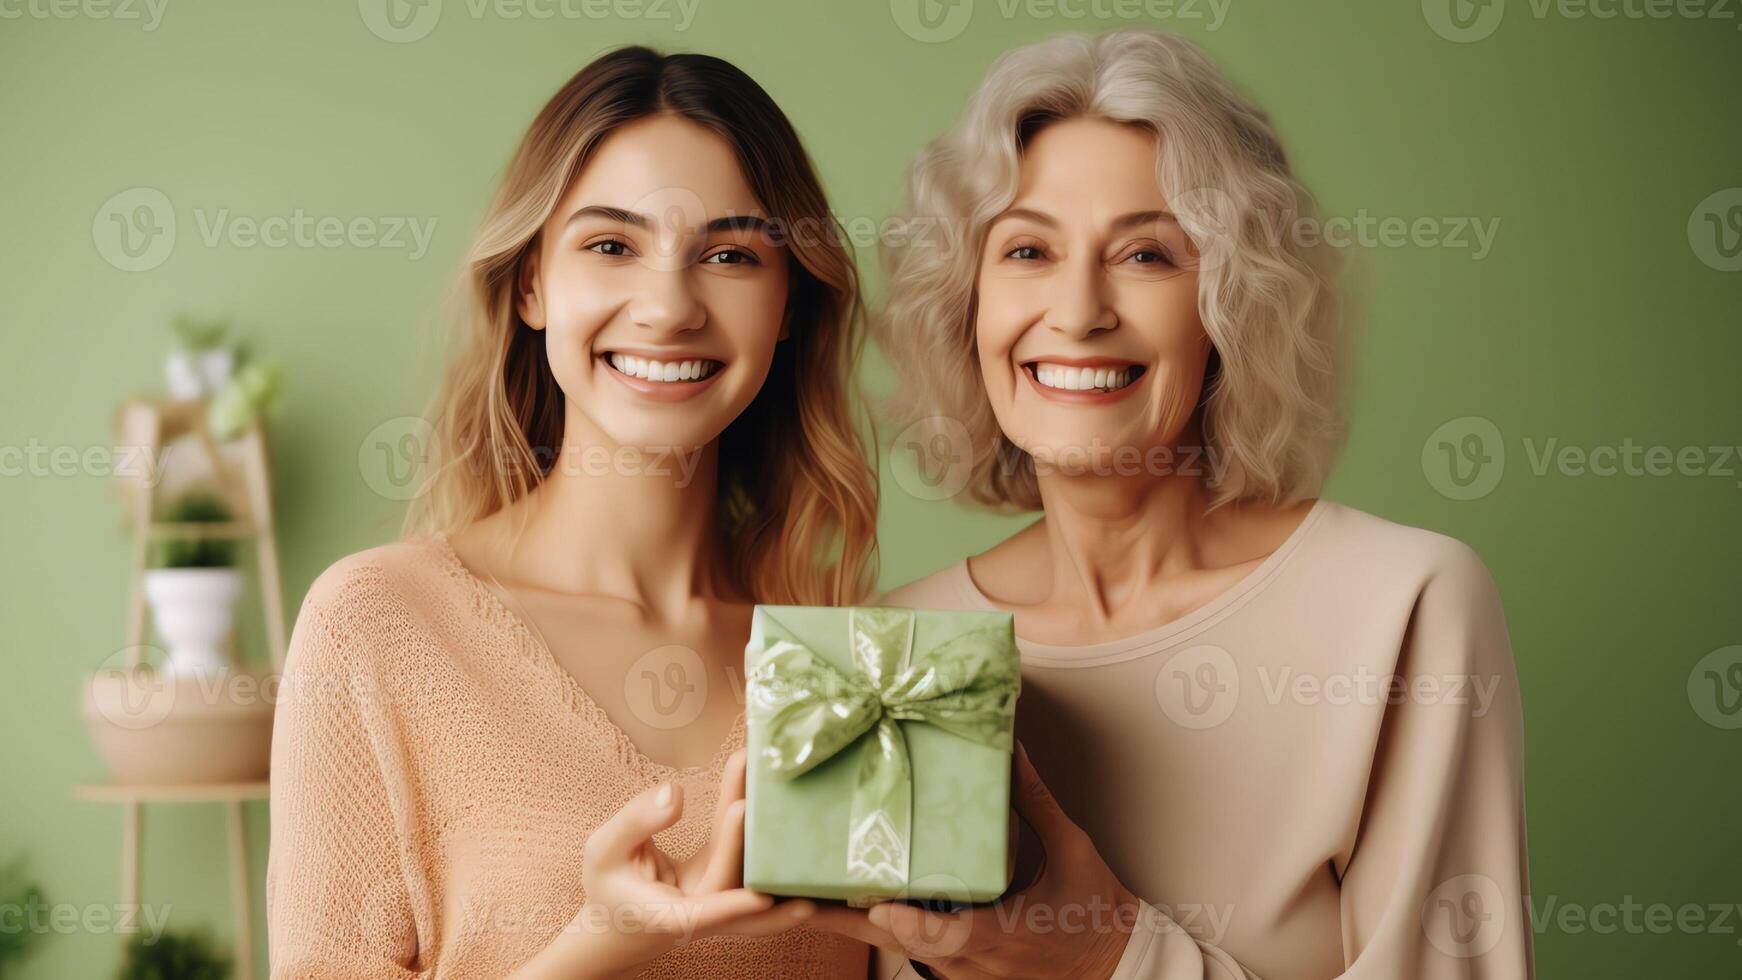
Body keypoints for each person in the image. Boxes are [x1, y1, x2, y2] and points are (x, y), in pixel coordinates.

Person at [814, 28, 1533, 980]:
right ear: (966, 304)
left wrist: (1106, 952)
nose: (1077, 311)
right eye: (1028, 249)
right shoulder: (900, 647)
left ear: (1233, 306)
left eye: (1147, 256)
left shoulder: (1404, 608)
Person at [266, 46, 879, 978]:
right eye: (610, 245)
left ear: (788, 302)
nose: (669, 307)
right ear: (531, 284)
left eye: (728, 254)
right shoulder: (377, 625)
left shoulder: (850, 670)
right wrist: (602, 942)